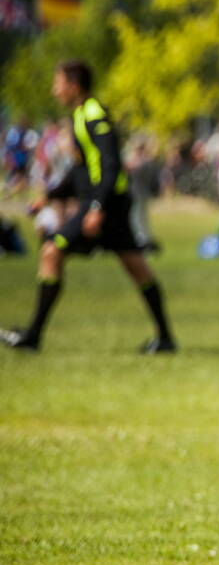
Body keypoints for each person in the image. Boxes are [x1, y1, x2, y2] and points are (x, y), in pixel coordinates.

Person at [3, 60, 176, 353]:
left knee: (51, 251)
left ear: (73, 85)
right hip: (109, 203)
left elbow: (111, 164)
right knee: (137, 267)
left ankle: (32, 336)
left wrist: (96, 207)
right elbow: (81, 170)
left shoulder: (94, 114)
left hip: (106, 204)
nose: (54, 90)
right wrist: (51, 195)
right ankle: (166, 339)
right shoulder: (80, 115)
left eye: (57, 84)